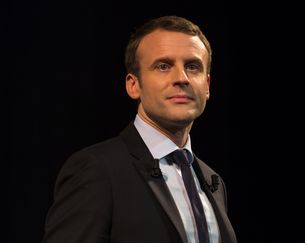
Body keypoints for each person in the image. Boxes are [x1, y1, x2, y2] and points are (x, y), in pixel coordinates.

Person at [43, 15, 237, 243]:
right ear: (133, 85)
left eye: (192, 67)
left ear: (207, 86)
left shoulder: (212, 180)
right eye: (163, 66)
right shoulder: (97, 170)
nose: (181, 78)